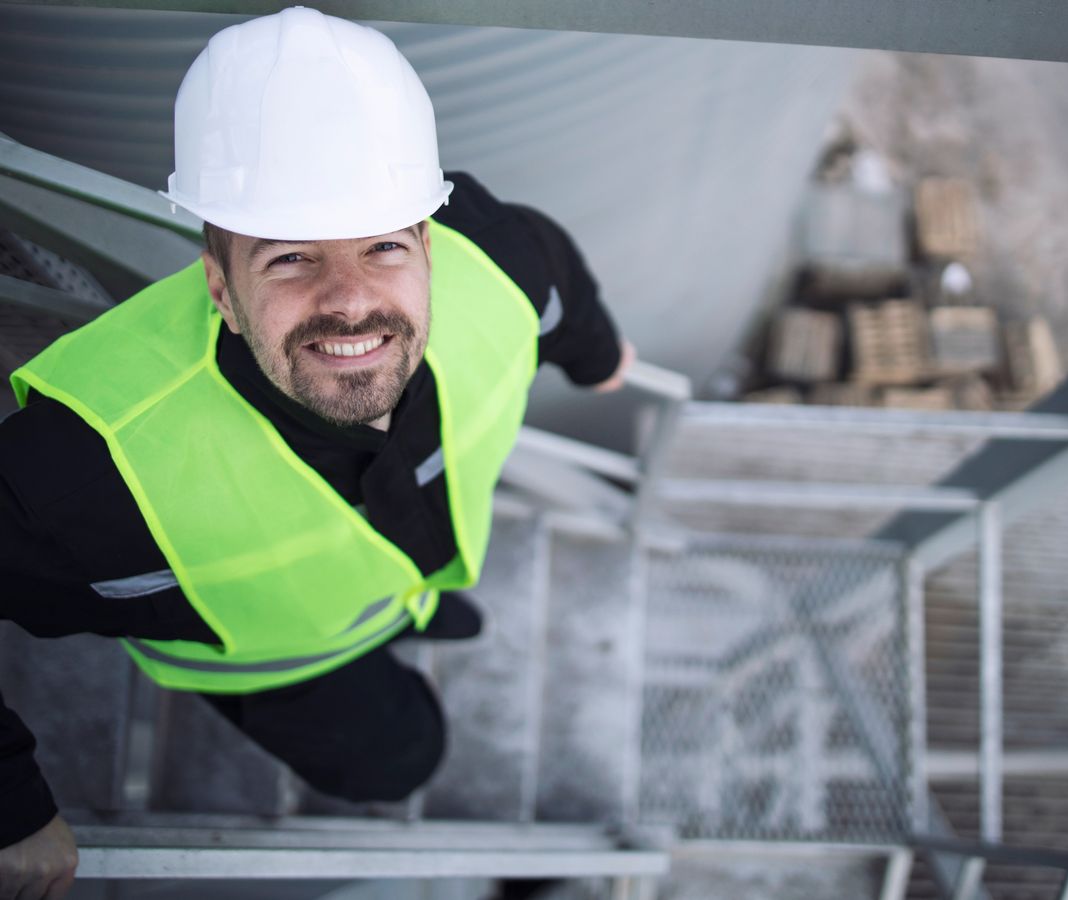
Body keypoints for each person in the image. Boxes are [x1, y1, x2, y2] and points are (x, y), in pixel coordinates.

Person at [0, 9, 633, 898]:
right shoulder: (86, 470)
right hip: (278, 664)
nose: (350, 302)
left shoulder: (498, 256)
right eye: (292, 257)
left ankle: (411, 607)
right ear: (220, 289)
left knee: (429, 597)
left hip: (403, 569)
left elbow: (560, 288)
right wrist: (12, 804)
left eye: (383, 246)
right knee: (402, 758)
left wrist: (600, 358)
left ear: (429, 247)